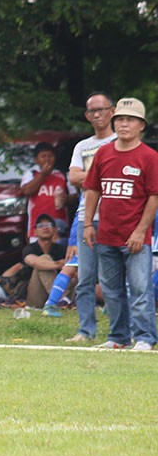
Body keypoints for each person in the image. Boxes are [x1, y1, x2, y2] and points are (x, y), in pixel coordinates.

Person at [82, 98, 158, 351]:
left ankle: (145, 338)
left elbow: (154, 197)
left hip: (135, 238)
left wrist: (140, 231)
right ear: (114, 123)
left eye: (130, 120)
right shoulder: (103, 153)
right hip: (106, 235)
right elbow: (93, 189)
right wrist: (88, 224)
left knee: (139, 289)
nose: (124, 124)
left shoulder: (150, 157)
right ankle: (118, 337)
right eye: (120, 119)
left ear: (141, 125)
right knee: (111, 291)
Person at [59, 92, 117, 340]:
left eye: (101, 109)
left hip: (116, 218)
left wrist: (90, 176)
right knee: (85, 278)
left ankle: (119, 332)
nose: (97, 115)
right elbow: (73, 177)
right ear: (86, 115)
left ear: (112, 111)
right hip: (87, 218)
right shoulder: (82, 146)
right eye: (92, 111)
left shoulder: (120, 141)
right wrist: (103, 175)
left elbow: (119, 176)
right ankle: (85, 330)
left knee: (112, 279)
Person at [20, 141, 70, 241]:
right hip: (37, 225)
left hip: (59, 226)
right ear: (36, 159)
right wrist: (43, 174)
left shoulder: (63, 175)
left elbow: (75, 196)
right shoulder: (31, 174)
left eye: (50, 156)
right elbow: (27, 190)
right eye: (43, 156)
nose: (47, 159)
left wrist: (66, 198)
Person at [19, 214, 68, 307]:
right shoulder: (29, 248)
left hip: (60, 288)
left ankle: (63, 300)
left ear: (55, 230)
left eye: (49, 225)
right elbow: (32, 261)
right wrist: (58, 265)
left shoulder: (62, 249)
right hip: (36, 295)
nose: (45, 228)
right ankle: (60, 300)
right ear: (35, 231)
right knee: (44, 259)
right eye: (40, 226)